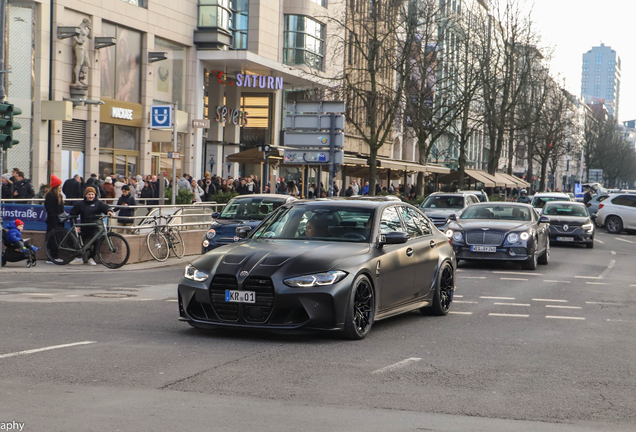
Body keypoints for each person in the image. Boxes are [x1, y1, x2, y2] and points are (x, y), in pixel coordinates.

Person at [69, 187, 114, 265]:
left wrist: (109, 211)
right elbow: (72, 215)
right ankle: (78, 257)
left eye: (92, 194)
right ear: (85, 195)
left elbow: (105, 207)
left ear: (95, 195)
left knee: (97, 238)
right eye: (89, 194)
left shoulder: (99, 203)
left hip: (95, 227)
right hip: (84, 226)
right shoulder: (80, 204)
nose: (91, 196)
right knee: (75, 237)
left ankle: (91, 258)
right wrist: (74, 227)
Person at [44, 175, 66, 264]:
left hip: (59, 220)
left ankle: (54, 256)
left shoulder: (59, 195)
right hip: (54, 221)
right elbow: (50, 209)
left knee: (57, 239)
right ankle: (52, 257)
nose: (61, 186)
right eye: (60, 185)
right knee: (53, 239)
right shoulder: (50, 195)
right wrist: (55, 218)